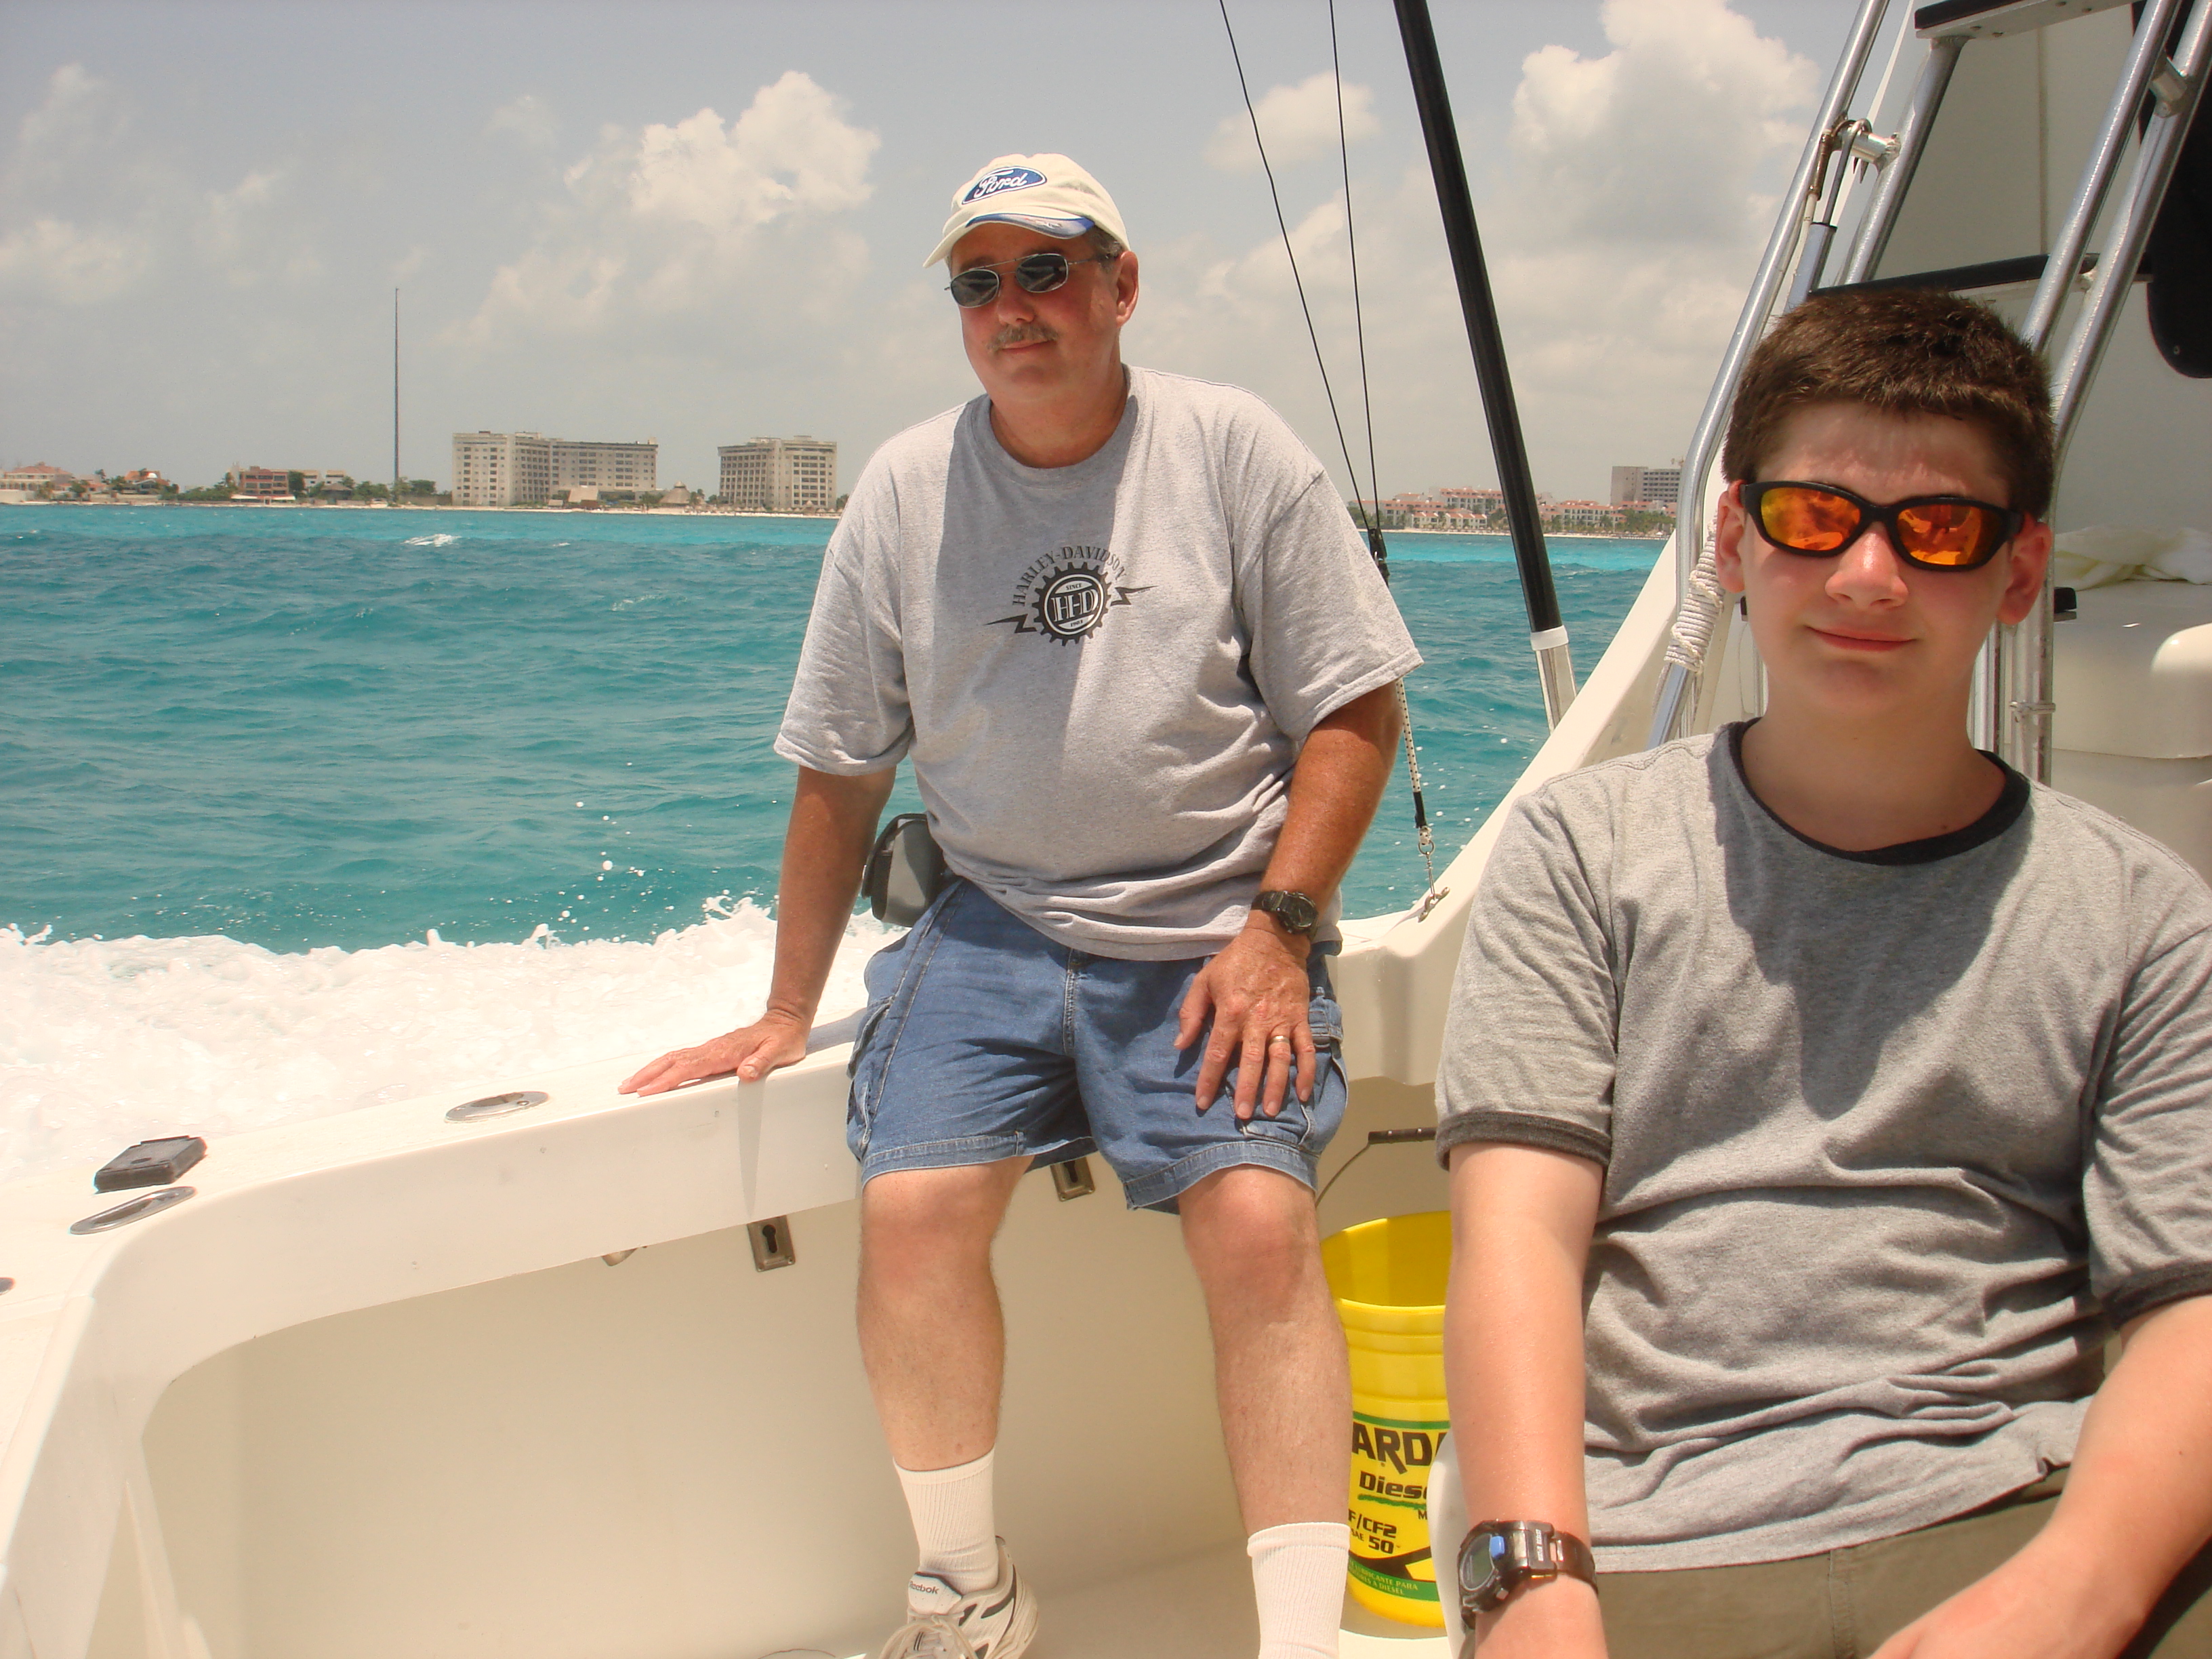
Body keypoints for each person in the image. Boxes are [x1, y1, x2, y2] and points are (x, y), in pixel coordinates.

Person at [621, 154, 1420, 1659]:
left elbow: (1357, 712)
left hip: (1216, 925)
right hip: (993, 920)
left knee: (1259, 1229)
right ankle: (966, 1594)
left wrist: (1280, 930)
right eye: (977, 283)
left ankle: (1300, 1644)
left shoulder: (1233, 449)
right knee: (913, 1209)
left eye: (1046, 269)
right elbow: (841, 768)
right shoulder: (904, 491)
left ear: (1122, 286)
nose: (1013, 307)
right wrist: (787, 1009)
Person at [1429, 287, 2212, 1658]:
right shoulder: (1581, 853)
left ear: (2018, 569)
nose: (1867, 574)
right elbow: (1517, 1242)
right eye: (1814, 516)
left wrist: (2075, 1594)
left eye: (1939, 529)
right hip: (1653, 1542)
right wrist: (1532, 1590)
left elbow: (2192, 1303)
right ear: (1735, 538)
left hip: (2028, 1507)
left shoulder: (2145, 917)